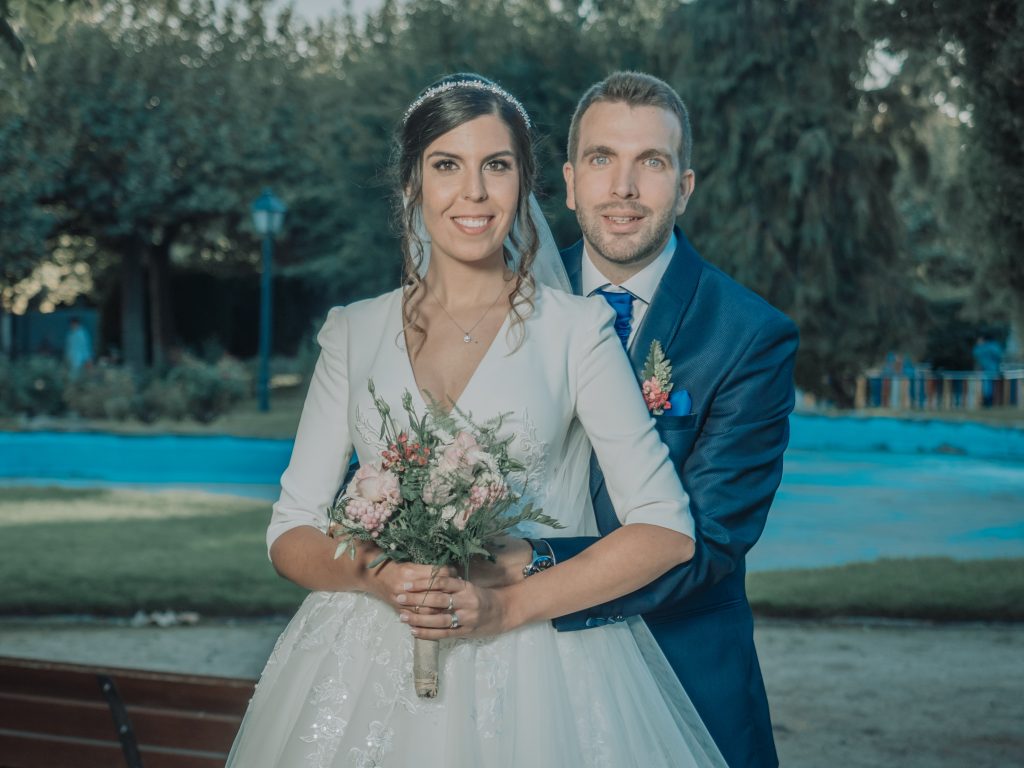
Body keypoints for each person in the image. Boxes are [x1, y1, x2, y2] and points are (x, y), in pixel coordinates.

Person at [227, 74, 725, 767]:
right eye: (446, 166)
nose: (474, 192)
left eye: (497, 166)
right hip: (364, 661)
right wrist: (376, 574)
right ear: (411, 185)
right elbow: (290, 529)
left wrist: (507, 610)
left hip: (538, 672)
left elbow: (666, 529)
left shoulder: (577, 330)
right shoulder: (354, 332)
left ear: (524, 185)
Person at [408, 72, 799, 768]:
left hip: (679, 677)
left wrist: (528, 567)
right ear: (566, 180)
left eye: (650, 162)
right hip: (510, 681)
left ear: (683, 186)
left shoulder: (749, 336)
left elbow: (708, 543)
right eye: (601, 159)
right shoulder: (493, 303)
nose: (623, 187)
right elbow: (408, 460)